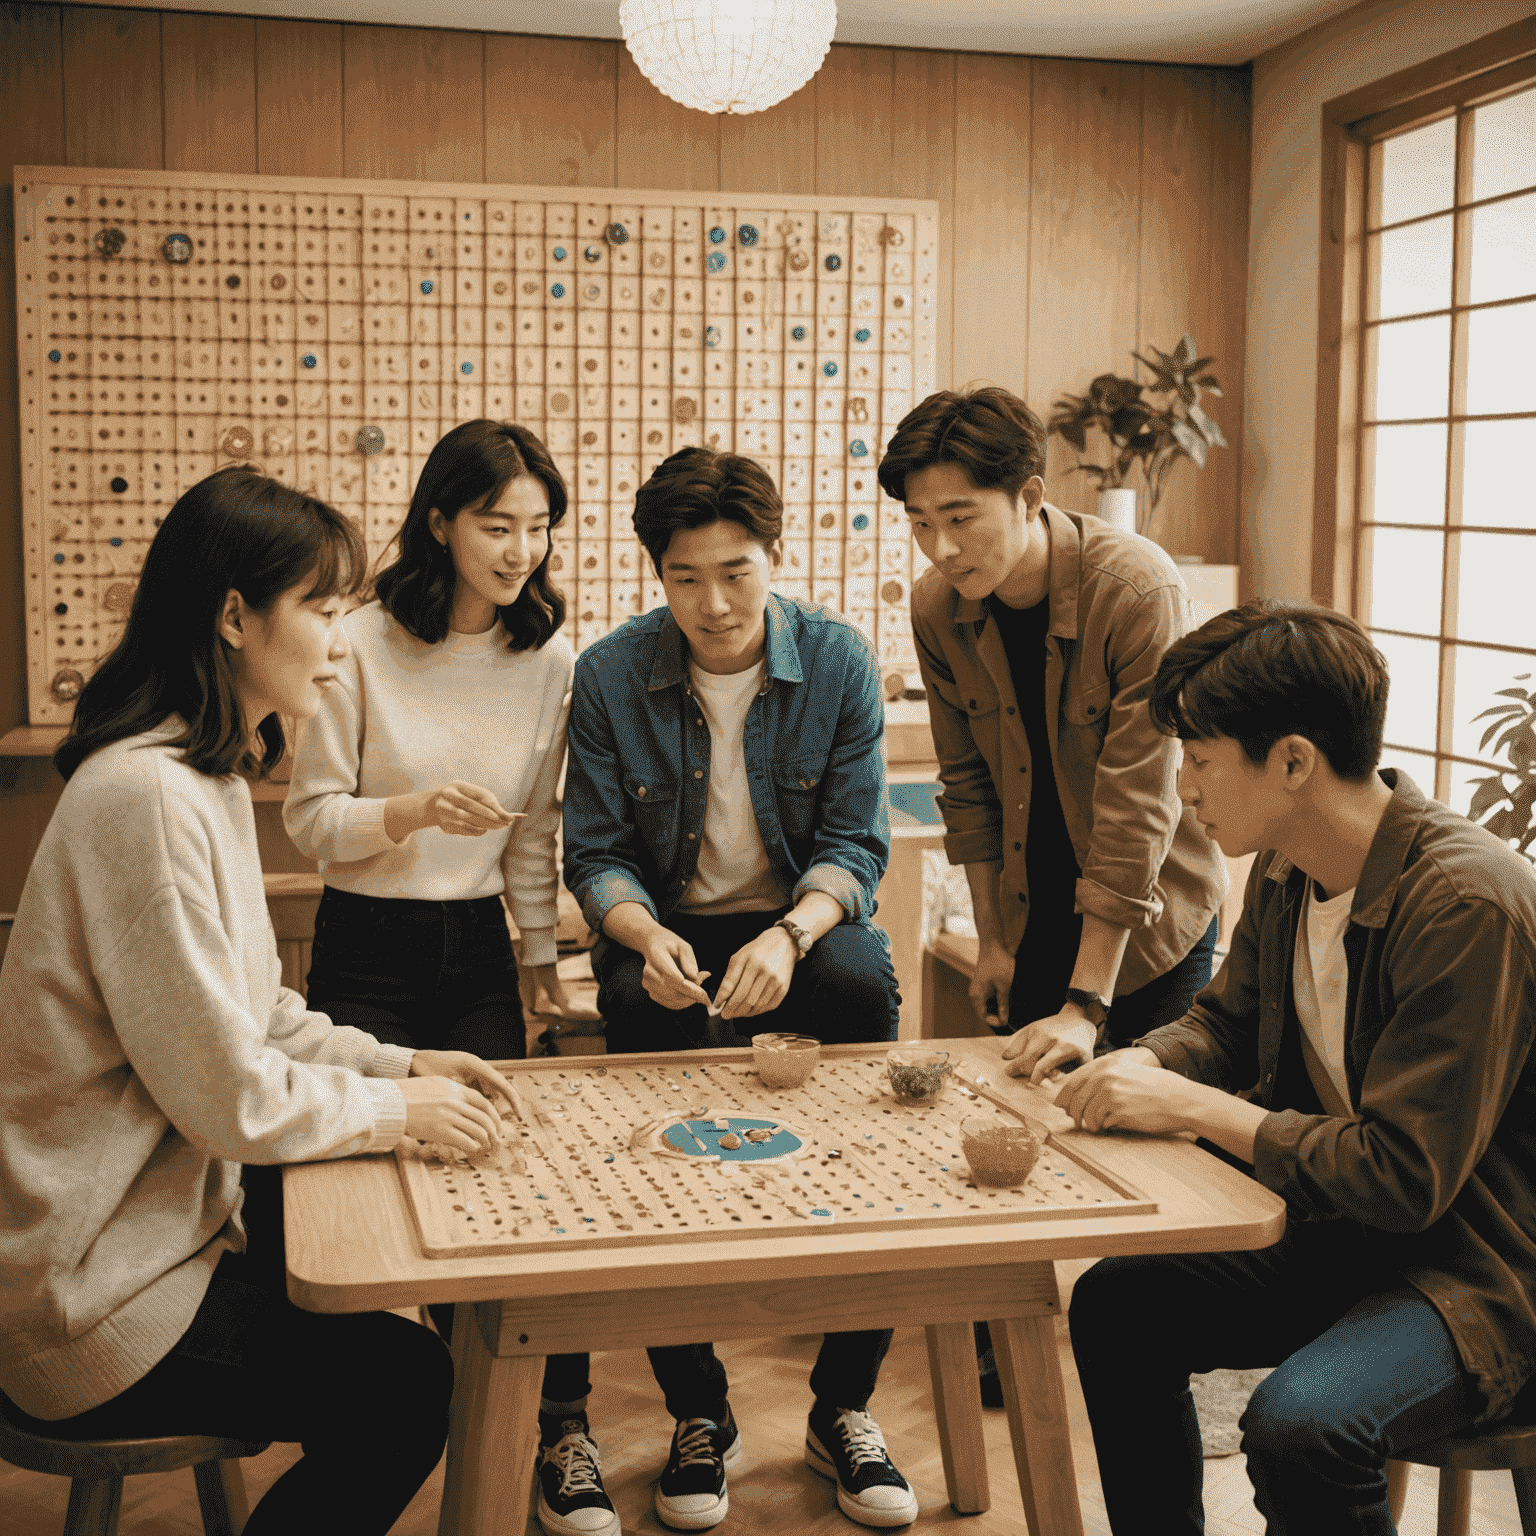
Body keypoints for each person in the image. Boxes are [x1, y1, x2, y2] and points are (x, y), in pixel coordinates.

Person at [0, 468, 515, 1536]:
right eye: (324, 611)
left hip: (157, 1251)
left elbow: (263, 1015)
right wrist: (397, 1115)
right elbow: (231, 1096)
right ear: (234, 616)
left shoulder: (207, 779)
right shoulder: (144, 796)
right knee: (404, 1387)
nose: (342, 639)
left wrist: (404, 1067)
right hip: (90, 1299)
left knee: (383, 1336)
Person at [1059, 599, 1536, 1535]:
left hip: (1481, 1270)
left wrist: (1194, 1109)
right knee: (1116, 1305)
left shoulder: (1466, 906)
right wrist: (1131, 1064)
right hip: (1352, 1236)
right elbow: (1228, 1026)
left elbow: (1404, 1178)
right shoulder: (1287, 865)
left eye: (1198, 760)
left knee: (1302, 1427)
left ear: (1291, 761)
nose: (1184, 788)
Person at [561, 446, 915, 1530]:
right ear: (655, 575)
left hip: (802, 917)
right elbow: (595, 853)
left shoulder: (840, 662)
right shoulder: (613, 672)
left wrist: (794, 934)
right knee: (643, 1074)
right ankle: (697, 1412)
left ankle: (843, 1404)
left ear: (775, 556)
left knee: (863, 999)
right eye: (685, 578)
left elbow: (858, 844)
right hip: (664, 922)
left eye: (736, 572)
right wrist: (639, 933)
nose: (713, 604)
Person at [281, 418, 604, 1536]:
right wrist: (413, 812)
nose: (521, 551)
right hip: (365, 943)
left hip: (476, 948)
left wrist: (540, 961)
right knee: (351, 1199)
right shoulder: (361, 642)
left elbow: (533, 835)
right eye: (496, 525)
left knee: (506, 1199)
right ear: (439, 521)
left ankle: (550, 1429)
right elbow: (313, 823)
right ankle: (370, 1427)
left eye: (539, 529)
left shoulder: (547, 656)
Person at [880, 385, 1229, 1401]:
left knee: (1148, 1146)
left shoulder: (1135, 586)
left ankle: (1155, 1347)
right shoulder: (939, 608)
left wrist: (1088, 1000)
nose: (942, 548)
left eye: (961, 518)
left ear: (1028, 496)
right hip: (1034, 904)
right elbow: (969, 787)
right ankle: (1009, 1338)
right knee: (1018, 1124)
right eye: (920, 524)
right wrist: (991, 939)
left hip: (1153, 916)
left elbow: (1138, 811)